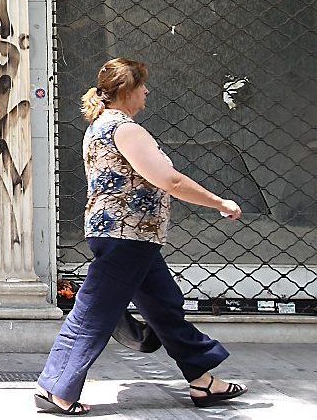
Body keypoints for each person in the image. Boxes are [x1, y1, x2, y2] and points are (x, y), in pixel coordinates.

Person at [35, 58, 247, 415]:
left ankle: (201, 380)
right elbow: (170, 180)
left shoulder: (100, 126)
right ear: (127, 90)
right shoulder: (125, 129)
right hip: (126, 235)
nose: (147, 92)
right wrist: (218, 202)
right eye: (142, 86)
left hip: (129, 235)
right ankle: (56, 388)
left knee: (165, 306)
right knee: (93, 312)